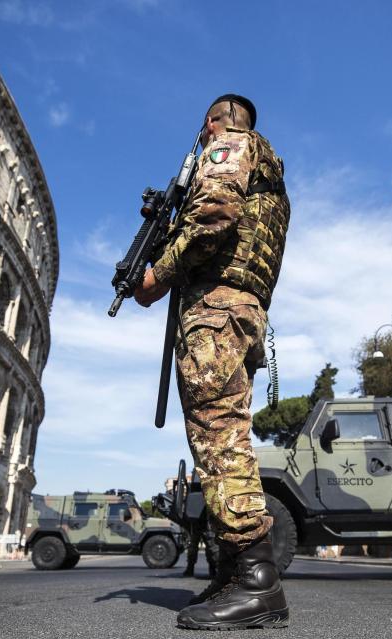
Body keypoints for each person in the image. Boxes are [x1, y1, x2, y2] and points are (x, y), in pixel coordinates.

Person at [134, 94, 291, 630]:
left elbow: (214, 217)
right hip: (241, 310)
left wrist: (158, 274)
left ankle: (255, 581)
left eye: (205, 130)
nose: (203, 139)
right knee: (218, 438)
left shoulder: (228, 146)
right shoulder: (268, 168)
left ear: (212, 123)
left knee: (219, 437)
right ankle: (232, 572)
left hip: (218, 310)